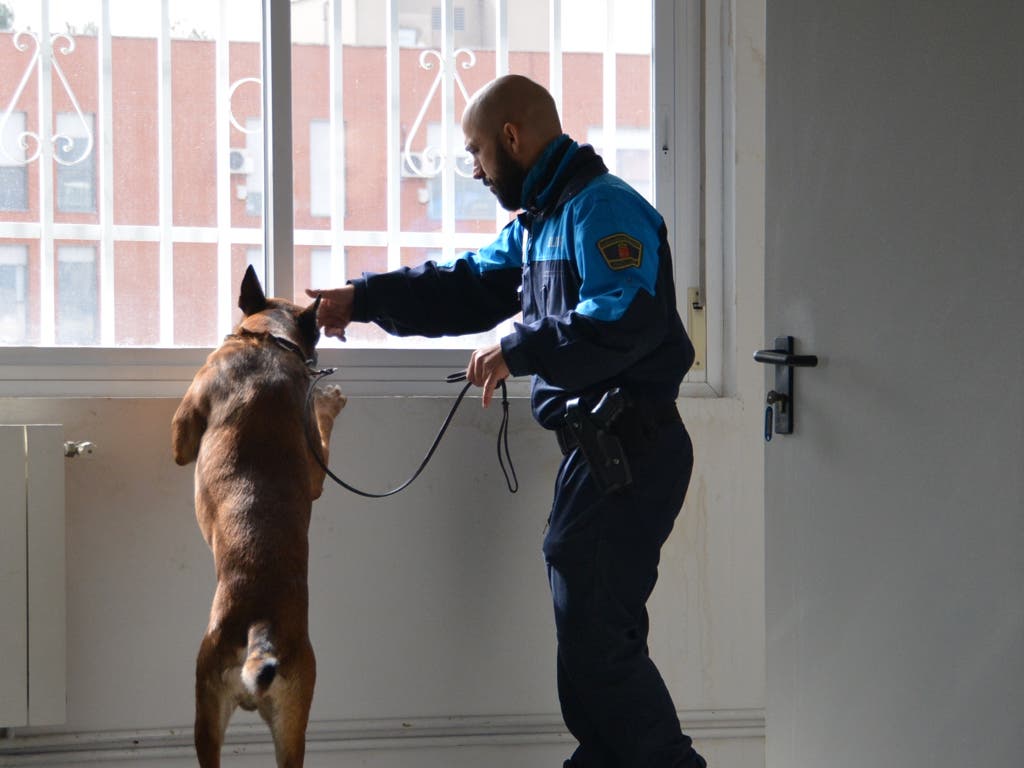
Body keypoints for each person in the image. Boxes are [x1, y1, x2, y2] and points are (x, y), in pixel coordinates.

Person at [307, 74, 706, 768]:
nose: (477, 169)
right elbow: (463, 285)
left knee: (600, 641)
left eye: (477, 152)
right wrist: (361, 300)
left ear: (512, 139)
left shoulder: (603, 209)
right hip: (596, 453)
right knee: (590, 632)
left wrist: (519, 345)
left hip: (633, 448)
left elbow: (625, 315)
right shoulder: (541, 225)